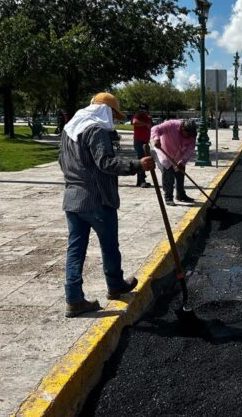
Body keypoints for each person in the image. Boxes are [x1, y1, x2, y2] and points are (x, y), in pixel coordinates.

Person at [59, 92, 156, 317]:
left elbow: (61, 162)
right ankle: (115, 285)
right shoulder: (96, 129)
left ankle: (73, 299)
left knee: (75, 250)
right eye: (114, 114)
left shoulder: (69, 129)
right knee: (109, 244)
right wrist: (137, 165)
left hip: (73, 200)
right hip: (97, 199)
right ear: (107, 111)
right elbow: (105, 163)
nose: (114, 119)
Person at [151, 119, 197, 206]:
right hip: (164, 152)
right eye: (187, 134)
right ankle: (168, 197)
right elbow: (155, 128)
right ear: (182, 128)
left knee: (180, 173)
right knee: (168, 174)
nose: (188, 137)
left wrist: (183, 161)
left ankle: (181, 195)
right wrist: (156, 139)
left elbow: (190, 150)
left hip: (178, 155)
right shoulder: (171, 125)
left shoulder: (192, 135)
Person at [132, 103, 153, 188]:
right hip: (139, 141)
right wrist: (145, 124)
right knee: (142, 160)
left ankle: (140, 180)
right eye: (142, 109)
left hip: (145, 141)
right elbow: (134, 122)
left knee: (144, 159)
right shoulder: (137, 115)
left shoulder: (148, 117)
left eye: (145, 110)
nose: (143, 111)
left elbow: (150, 126)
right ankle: (142, 181)